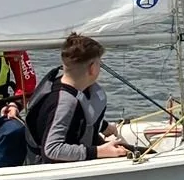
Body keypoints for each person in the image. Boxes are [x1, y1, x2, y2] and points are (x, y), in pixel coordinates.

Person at [24, 31, 134, 163]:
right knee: (145, 157)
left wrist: (104, 126)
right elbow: (51, 150)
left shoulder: (72, 88)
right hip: (61, 168)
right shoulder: (64, 102)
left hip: (82, 149)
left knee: (147, 152)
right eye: (100, 64)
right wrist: (99, 151)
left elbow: (76, 120)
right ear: (92, 68)